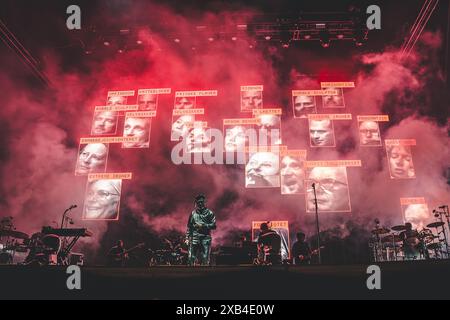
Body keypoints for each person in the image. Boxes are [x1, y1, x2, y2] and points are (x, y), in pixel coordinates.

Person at [185, 194, 216, 266]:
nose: (200, 203)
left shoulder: (210, 213)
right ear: (195, 203)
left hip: (205, 238)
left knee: (205, 259)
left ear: (205, 203)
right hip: (194, 239)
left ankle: (204, 275)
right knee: (191, 259)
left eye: (202, 202)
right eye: (198, 202)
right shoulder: (193, 213)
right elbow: (189, 227)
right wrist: (187, 238)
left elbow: (214, 225)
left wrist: (203, 225)